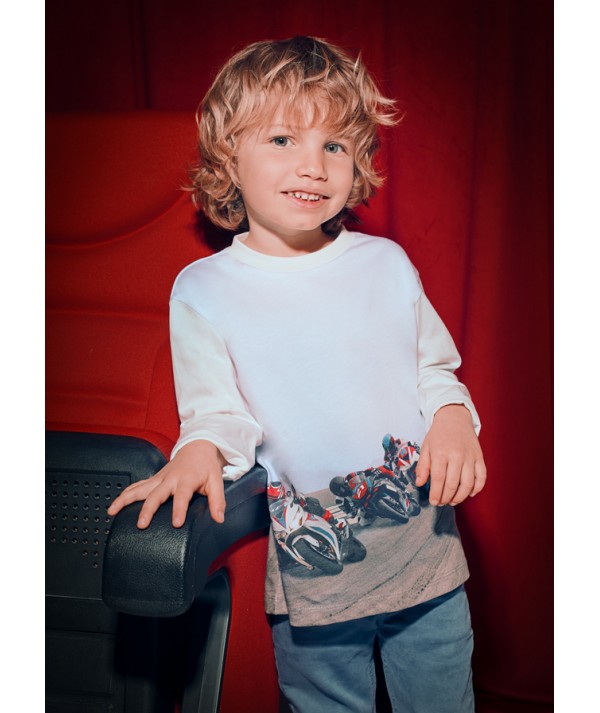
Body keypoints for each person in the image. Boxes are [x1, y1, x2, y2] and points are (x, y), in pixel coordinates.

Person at [108, 36, 487, 713]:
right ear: (229, 155)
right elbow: (216, 412)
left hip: (425, 558)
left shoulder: (386, 265)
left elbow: (434, 368)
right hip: (318, 576)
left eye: (334, 145)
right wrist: (197, 451)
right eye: (283, 139)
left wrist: (454, 417)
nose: (313, 165)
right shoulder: (202, 288)